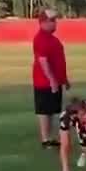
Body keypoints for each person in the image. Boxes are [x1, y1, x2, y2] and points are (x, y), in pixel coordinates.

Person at [32, 9, 69, 148]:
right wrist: (52, 80)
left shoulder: (52, 39)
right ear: (43, 22)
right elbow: (43, 61)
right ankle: (46, 139)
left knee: (51, 110)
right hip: (44, 82)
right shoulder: (41, 38)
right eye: (52, 21)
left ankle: (49, 138)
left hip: (55, 81)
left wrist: (64, 79)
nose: (55, 23)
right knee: (44, 111)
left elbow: (58, 60)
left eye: (55, 20)